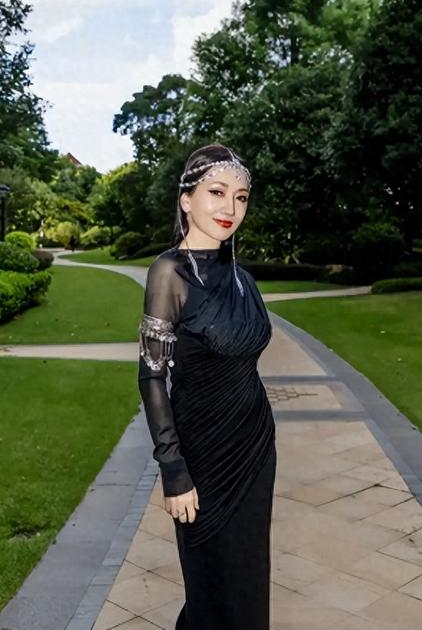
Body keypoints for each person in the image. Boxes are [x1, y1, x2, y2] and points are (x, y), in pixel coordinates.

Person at [137, 143, 277, 630]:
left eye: (240, 197)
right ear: (186, 199)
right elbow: (152, 375)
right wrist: (172, 468)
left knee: (248, 581)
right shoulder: (168, 273)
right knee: (209, 588)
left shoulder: (244, 281)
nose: (229, 208)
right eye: (216, 192)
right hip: (200, 456)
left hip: (255, 448)